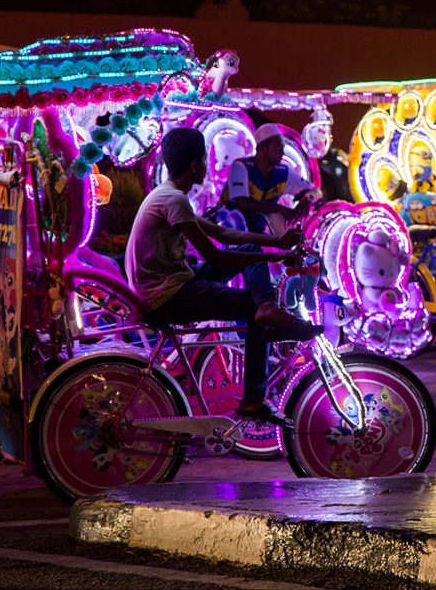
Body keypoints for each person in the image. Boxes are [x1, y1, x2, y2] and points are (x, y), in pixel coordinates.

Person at [126, 127, 322, 424]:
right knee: (250, 306)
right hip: (168, 296)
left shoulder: (168, 195)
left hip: (178, 282)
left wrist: (275, 243)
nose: (208, 165)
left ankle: (267, 309)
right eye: (206, 159)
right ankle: (254, 398)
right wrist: (274, 256)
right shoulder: (172, 200)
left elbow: (220, 232)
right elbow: (215, 255)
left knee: (249, 253)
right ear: (195, 165)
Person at [221, 122, 321, 237]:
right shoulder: (241, 167)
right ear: (263, 149)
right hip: (227, 231)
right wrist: (277, 209)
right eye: (278, 148)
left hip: (257, 235)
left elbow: (315, 191)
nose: (282, 152)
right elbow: (241, 202)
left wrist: (308, 198)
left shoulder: (283, 173)